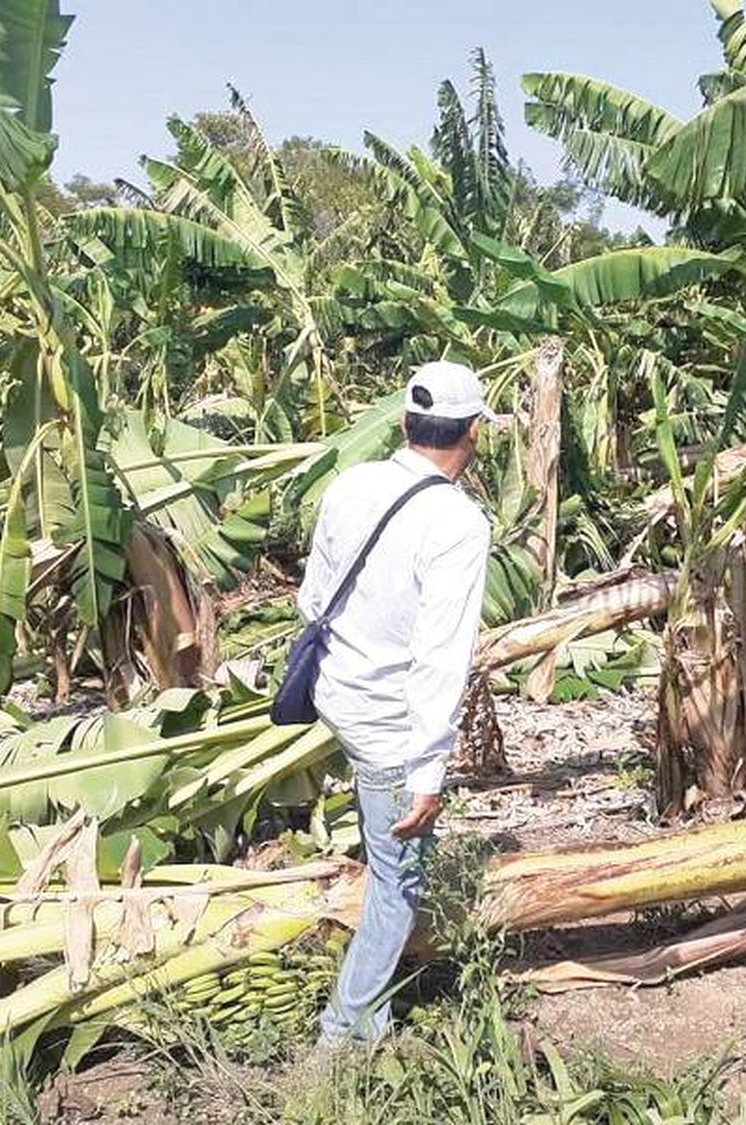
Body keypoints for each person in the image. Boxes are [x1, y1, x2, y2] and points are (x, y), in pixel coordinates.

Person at [298, 360, 497, 1045]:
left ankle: (366, 1016)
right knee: (397, 885)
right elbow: (441, 661)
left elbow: (311, 600)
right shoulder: (459, 523)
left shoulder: (351, 484)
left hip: (337, 697)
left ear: (407, 423)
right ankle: (346, 1033)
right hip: (386, 726)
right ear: (473, 432)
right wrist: (428, 776)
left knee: (384, 849)